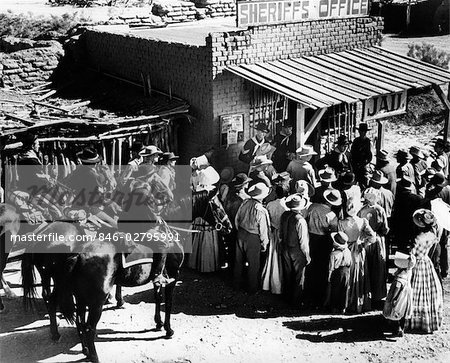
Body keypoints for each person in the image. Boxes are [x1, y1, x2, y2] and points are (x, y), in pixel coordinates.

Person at [407, 209, 444, 333]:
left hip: (417, 263)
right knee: (428, 291)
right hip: (427, 262)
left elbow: (413, 254)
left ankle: (411, 318)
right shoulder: (433, 234)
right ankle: (427, 319)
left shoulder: (418, 238)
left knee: (415, 291)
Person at [338, 197, 376, 313]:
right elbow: (373, 237)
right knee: (359, 275)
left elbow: (339, 238)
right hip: (359, 251)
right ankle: (359, 303)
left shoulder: (342, 222)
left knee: (347, 276)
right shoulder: (363, 221)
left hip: (346, 250)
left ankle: (346, 303)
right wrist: (364, 243)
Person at [304, 188, 340, 309]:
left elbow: (306, 219)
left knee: (310, 265)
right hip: (324, 240)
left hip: (311, 238)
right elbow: (334, 231)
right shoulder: (331, 215)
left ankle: (308, 293)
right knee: (322, 268)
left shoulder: (312, 207)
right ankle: (319, 296)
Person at [234, 182, 271, 293]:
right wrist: (264, 244)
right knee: (253, 264)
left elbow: (237, 219)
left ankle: (236, 284)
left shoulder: (244, 203)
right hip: (253, 237)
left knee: (238, 261)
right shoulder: (261, 210)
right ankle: (252, 288)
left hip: (241, 233)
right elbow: (264, 230)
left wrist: (239, 230)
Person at [358, 189, 389, 309]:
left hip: (365, 240)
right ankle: (377, 296)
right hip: (377, 240)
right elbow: (385, 228)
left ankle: (366, 295)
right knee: (378, 268)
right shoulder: (380, 210)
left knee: (366, 267)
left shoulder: (362, 210)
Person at [279, 194, 310, 305]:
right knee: (299, 276)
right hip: (296, 250)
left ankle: (286, 296)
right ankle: (296, 301)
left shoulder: (284, 215)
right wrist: (307, 255)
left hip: (285, 246)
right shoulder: (300, 220)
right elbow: (303, 241)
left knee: (287, 273)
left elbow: (280, 232)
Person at [189, 166, 222, 273]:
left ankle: (195, 263)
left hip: (198, 220)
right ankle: (208, 266)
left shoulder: (197, 194)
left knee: (197, 238)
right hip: (208, 220)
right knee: (207, 239)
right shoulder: (210, 195)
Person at [391, 177, 430, 252]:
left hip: (401, 226)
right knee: (413, 245)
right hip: (413, 225)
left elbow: (395, 213)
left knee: (401, 247)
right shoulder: (417, 198)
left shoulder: (398, 198)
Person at [262, 186, 289, 295]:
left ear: (276, 194)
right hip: (283, 234)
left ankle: (268, 282)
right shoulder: (287, 206)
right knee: (281, 259)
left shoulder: (270, 205)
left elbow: (268, 220)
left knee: (272, 257)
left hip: (273, 233)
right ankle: (280, 284)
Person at [383, 252, 416, 337]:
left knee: (395, 313)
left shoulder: (399, 278)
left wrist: (393, 299)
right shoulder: (408, 273)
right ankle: (402, 328)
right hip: (406, 296)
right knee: (403, 314)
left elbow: (397, 289)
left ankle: (397, 329)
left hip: (399, 298)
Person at [326, 231, 352, 314]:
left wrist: (329, 277)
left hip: (337, 272)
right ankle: (343, 308)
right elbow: (350, 263)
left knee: (335, 290)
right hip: (346, 271)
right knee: (344, 290)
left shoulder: (333, 254)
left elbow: (331, 267)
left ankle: (334, 307)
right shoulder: (348, 251)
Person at [350, 123, 373, 187]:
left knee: (364, 183)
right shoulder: (356, 141)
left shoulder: (368, 142)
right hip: (355, 165)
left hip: (363, 166)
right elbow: (352, 152)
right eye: (361, 131)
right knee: (354, 182)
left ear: (366, 132)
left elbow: (370, 156)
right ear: (359, 131)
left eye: (364, 131)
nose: (362, 133)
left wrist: (365, 163)